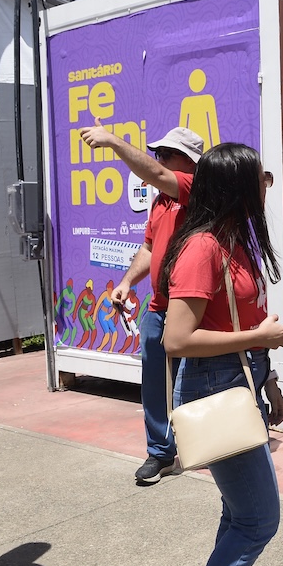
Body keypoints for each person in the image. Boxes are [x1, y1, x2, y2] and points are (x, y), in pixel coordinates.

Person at [158, 143, 283, 566]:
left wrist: (270, 378)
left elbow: (245, 321)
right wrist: (261, 340)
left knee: (239, 513)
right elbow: (176, 339)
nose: (267, 184)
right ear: (236, 186)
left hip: (240, 380)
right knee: (259, 519)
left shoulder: (234, 241)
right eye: (260, 177)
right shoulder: (202, 248)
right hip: (214, 384)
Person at [78, 123, 203, 483]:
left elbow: (158, 175)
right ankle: (160, 453)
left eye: (167, 154)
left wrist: (112, 141)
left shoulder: (197, 189)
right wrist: (126, 282)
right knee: (155, 383)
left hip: (192, 310)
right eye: (157, 153)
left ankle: (204, 445)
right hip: (158, 307)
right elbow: (149, 248)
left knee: (194, 383)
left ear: (190, 162)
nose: (159, 160)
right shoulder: (162, 201)